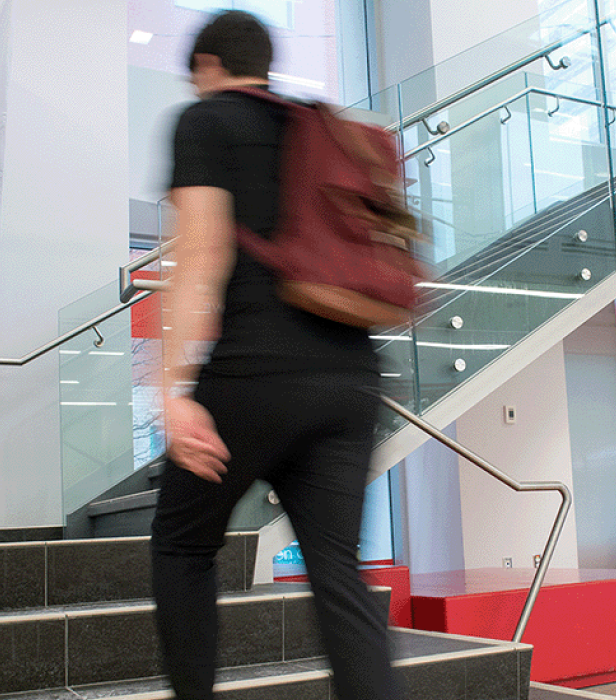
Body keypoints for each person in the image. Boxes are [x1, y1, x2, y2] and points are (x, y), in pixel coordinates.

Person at [149, 11, 399, 700]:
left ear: (207, 65)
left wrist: (172, 392)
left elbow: (199, 254)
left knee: (181, 545)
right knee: (337, 573)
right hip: (351, 377)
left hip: (254, 375)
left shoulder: (202, 121)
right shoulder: (317, 130)